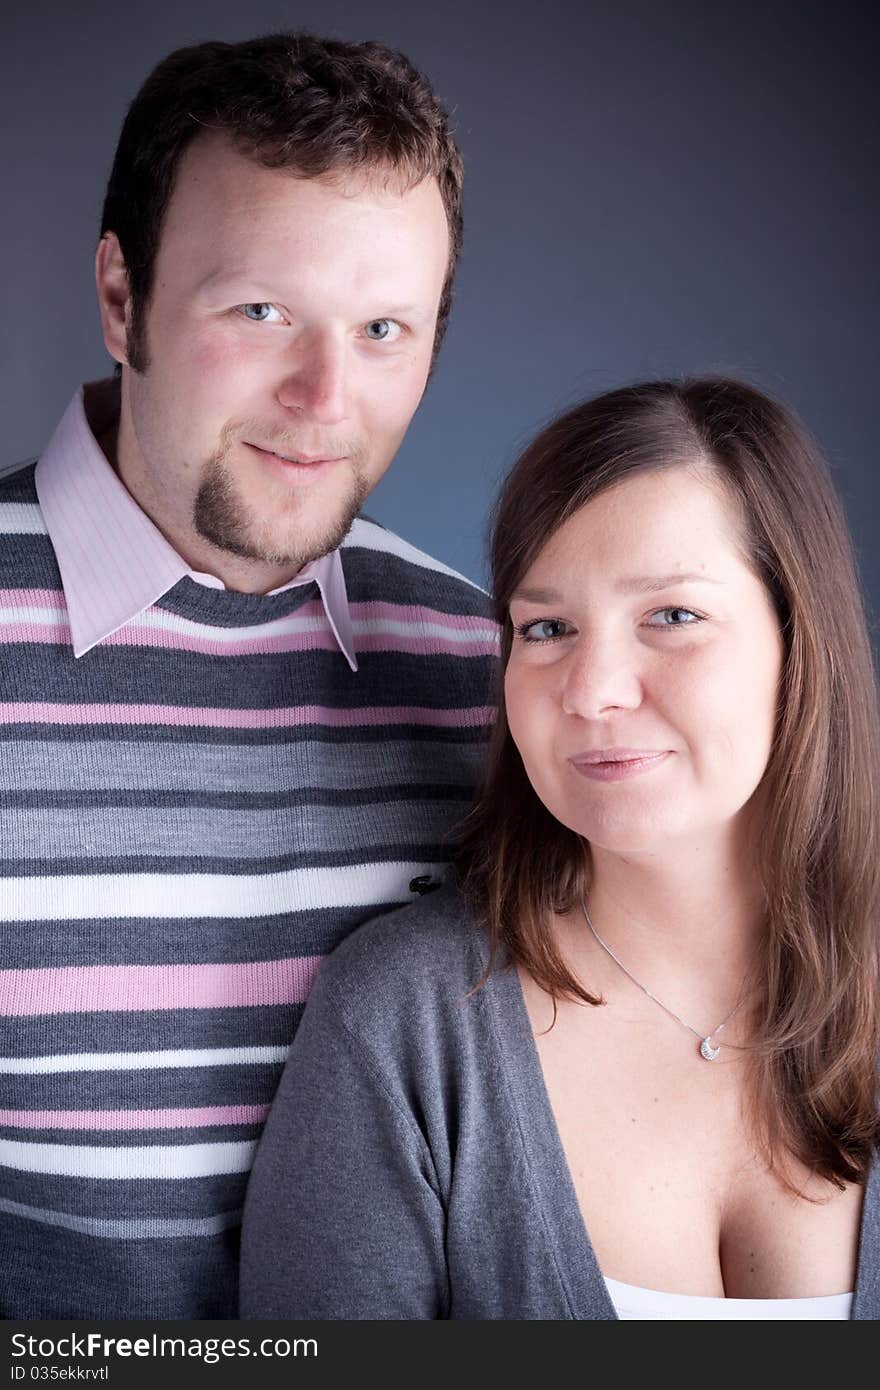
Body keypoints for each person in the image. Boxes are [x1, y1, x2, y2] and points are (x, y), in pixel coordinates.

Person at [0, 33, 498, 1319]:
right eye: (261, 310)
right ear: (122, 298)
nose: (325, 397)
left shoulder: (498, 676)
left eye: (384, 327)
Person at [240, 376, 880, 1320]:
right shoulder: (403, 1019)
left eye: (671, 615)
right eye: (546, 629)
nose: (592, 690)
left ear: (801, 642)